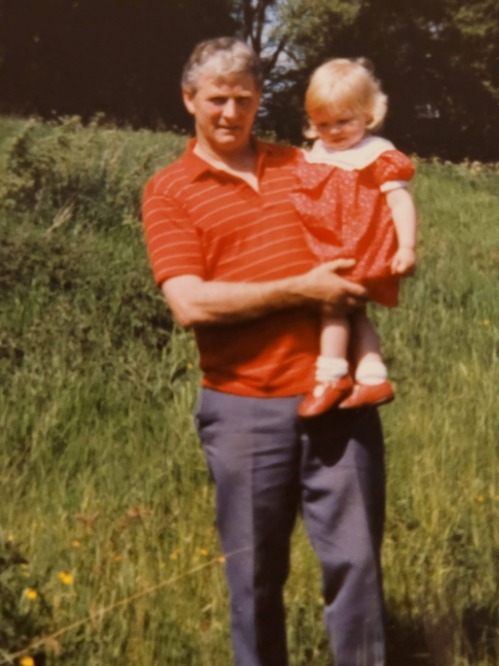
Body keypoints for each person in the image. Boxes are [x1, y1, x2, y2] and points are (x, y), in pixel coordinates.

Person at [141, 37, 388, 665]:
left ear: (259, 102)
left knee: (357, 568)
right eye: (216, 99)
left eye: (243, 100)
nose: (229, 113)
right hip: (244, 409)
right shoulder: (169, 190)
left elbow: (370, 208)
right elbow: (189, 303)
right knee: (254, 580)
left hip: (340, 402)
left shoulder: (303, 164)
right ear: (188, 100)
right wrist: (301, 289)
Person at [292, 58, 419, 418]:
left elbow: (399, 200)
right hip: (329, 246)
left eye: (344, 121)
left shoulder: (377, 154)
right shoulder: (319, 154)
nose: (333, 132)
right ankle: (373, 375)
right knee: (355, 312)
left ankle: (331, 376)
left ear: (368, 113)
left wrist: (407, 246)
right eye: (323, 124)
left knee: (332, 307)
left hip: (360, 248)